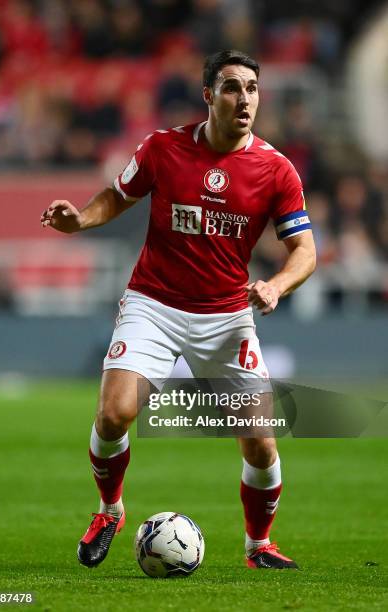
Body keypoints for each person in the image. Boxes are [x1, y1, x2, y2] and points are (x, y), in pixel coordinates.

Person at [40, 50, 316, 570]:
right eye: (233, 87)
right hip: (154, 305)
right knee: (113, 412)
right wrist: (79, 221)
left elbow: (305, 251)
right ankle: (109, 511)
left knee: (260, 444)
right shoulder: (163, 148)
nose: (245, 99)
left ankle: (259, 546)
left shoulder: (276, 170)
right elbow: (117, 196)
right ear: (209, 95)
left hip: (228, 315)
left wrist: (278, 286)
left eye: (253, 89)